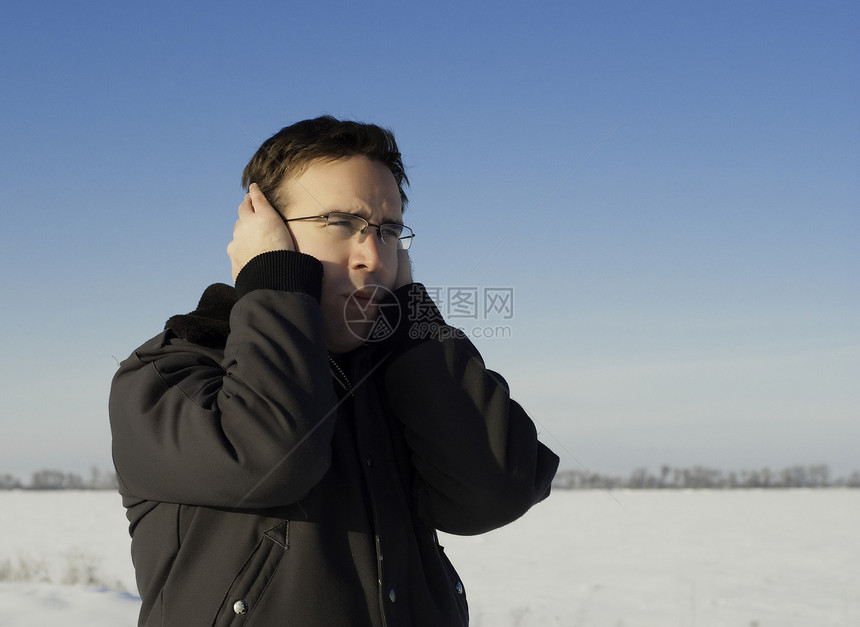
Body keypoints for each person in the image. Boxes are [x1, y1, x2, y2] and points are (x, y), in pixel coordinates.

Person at [109, 115, 559, 627]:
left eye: (389, 232)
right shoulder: (168, 374)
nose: (373, 256)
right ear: (266, 231)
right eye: (342, 223)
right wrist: (275, 278)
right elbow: (270, 459)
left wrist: (410, 317)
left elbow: (495, 491)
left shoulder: (400, 381)